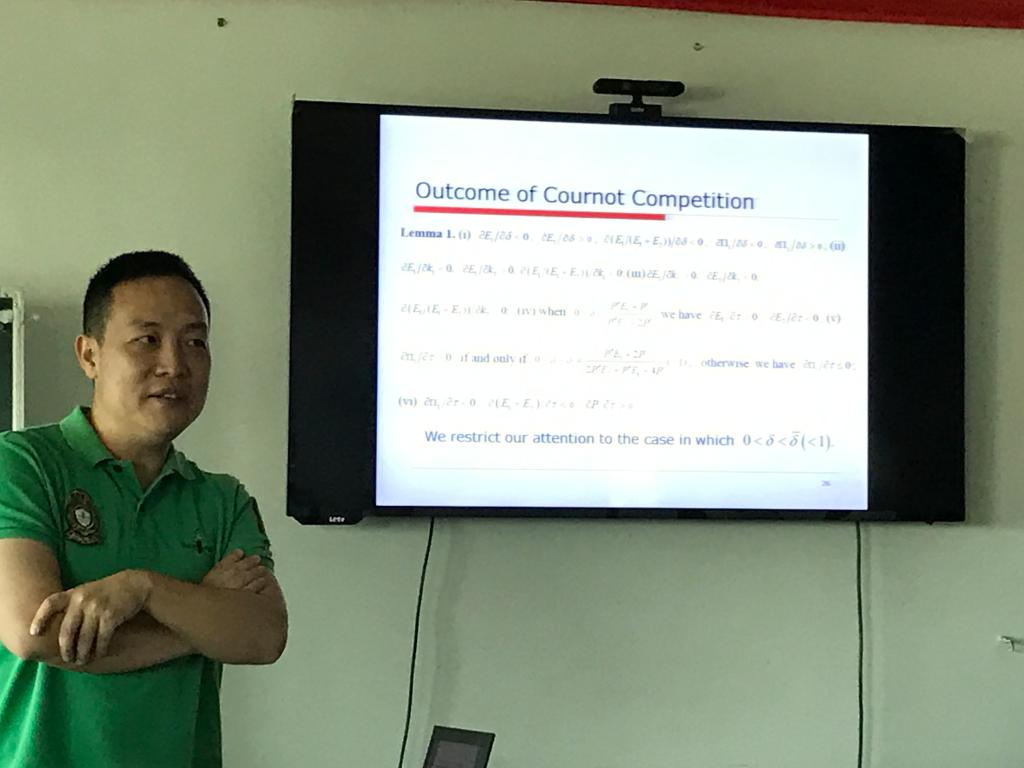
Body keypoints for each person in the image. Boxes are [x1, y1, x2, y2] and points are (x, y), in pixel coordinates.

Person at [0, 251, 288, 768]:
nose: (174, 365)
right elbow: (34, 633)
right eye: (147, 339)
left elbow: (264, 635)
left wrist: (144, 589)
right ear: (90, 355)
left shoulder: (222, 499)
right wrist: (200, 625)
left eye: (194, 342)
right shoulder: (22, 464)